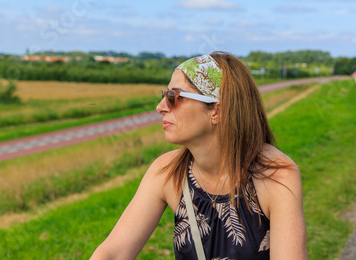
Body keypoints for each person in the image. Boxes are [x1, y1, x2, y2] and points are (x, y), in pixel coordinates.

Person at [90, 51, 307, 259]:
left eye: (174, 97)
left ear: (216, 111)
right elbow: (113, 253)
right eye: (164, 95)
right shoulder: (167, 172)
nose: (161, 107)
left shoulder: (276, 176)